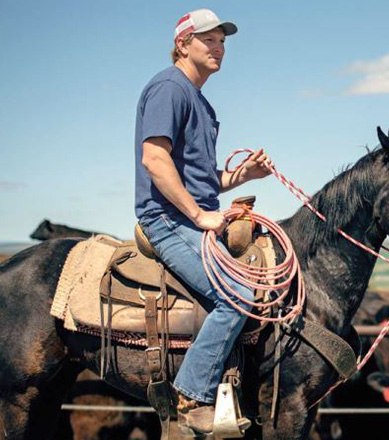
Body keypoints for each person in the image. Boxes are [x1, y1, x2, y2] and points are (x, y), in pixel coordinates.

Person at [134, 9, 271, 436]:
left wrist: (243, 177)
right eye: (208, 40)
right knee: (237, 295)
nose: (219, 48)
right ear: (183, 45)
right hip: (167, 219)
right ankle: (191, 396)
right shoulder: (168, 88)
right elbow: (154, 158)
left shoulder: (200, 101)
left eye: (223, 41)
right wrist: (197, 215)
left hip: (190, 217)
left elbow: (201, 179)